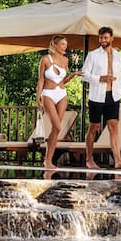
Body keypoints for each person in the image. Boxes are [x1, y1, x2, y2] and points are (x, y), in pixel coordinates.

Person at [81, 26, 121, 169]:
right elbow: (84, 75)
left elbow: (119, 74)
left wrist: (119, 90)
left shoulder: (118, 55)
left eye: (106, 38)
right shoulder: (93, 55)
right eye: (101, 37)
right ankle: (89, 159)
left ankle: (118, 160)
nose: (103, 40)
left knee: (113, 127)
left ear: (112, 38)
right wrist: (100, 78)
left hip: (113, 95)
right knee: (94, 127)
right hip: (97, 96)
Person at [36, 35, 80, 177]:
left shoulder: (65, 60)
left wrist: (73, 75)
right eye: (62, 44)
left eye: (65, 44)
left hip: (61, 94)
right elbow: (41, 80)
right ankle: (47, 159)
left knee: (56, 129)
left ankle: (48, 160)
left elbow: (62, 80)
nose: (64, 47)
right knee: (57, 126)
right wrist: (38, 98)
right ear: (54, 45)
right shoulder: (45, 59)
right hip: (48, 94)